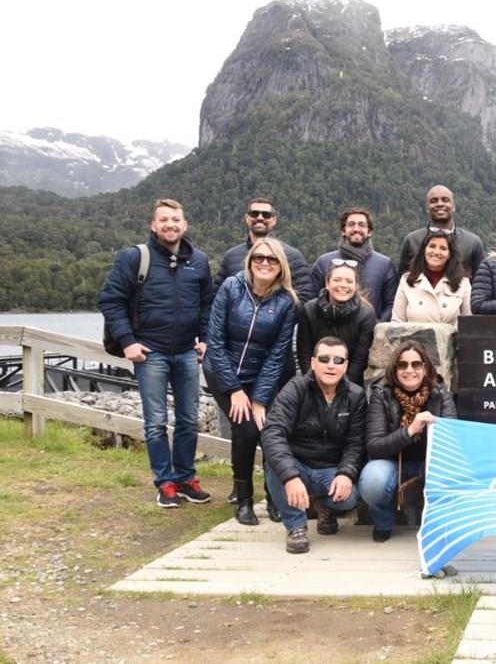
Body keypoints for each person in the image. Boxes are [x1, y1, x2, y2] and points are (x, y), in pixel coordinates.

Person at [99, 198, 214, 508]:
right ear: (153, 225)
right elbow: (110, 300)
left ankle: (186, 478)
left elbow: (206, 304)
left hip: (187, 352)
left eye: (175, 220)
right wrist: (127, 342)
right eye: (163, 220)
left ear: (185, 225)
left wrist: (204, 338)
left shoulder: (200, 261)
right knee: (155, 422)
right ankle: (165, 483)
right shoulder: (135, 257)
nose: (170, 225)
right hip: (151, 353)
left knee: (189, 420)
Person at [203, 238, 299, 526]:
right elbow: (215, 342)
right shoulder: (231, 288)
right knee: (244, 430)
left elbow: (276, 355)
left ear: (280, 265)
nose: (265, 263)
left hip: (263, 376)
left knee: (269, 430)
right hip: (222, 372)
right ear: (250, 261)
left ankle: (274, 497)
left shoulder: (286, 302)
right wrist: (234, 390)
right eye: (259, 257)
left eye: (271, 259)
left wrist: (259, 398)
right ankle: (243, 499)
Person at [261, 337, 366, 554]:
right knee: (274, 467)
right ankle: (296, 526)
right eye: (324, 359)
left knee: (351, 497)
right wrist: (289, 476)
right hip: (298, 464)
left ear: (345, 365)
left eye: (338, 360)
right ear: (313, 362)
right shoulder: (295, 388)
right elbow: (273, 432)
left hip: (331, 469)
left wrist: (346, 473)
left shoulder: (356, 395)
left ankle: (324, 506)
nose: (331, 365)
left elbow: (356, 443)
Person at [360, 342, 457, 543]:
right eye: (402, 365)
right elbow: (375, 447)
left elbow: (452, 439)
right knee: (373, 480)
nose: (409, 370)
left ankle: (436, 528)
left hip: (429, 461)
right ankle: (383, 523)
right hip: (391, 461)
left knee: (449, 474)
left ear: (425, 368)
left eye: (416, 364)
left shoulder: (439, 392)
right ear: (394, 369)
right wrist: (410, 430)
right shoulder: (381, 393)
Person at [215, 197, 315, 303]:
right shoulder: (231, 256)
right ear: (247, 218)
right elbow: (217, 296)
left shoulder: (292, 256)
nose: (260, 218)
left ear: (274, 220)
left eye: (266, 215)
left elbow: (305, 297)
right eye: (254, 213)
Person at [296, 261, 377, 387]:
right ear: (327, 283)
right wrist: (314, 384)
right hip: (313, 382)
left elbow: (359, 361)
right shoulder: (309, 310)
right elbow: (305, 355)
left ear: (356, 286)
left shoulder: (366, 314)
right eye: (337, 280)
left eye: (349, 281)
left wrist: (342, 390)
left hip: (350, 384)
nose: (343, 285)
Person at [311, 207, 398, 321]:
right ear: (343, 230)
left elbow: (391, 304)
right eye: (351, 224)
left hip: (372, 333)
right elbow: (313, 300)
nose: (356, 229)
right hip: (330, 331)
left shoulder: (384, 264)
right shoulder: (323, 262)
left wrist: (376, 326)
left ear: (369, 232)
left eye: (361, 225)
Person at [397, 185, 487, 278]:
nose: (440, 204)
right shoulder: (412, 240)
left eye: (445, 200)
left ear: (453, 206)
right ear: (427, 208)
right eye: (434, 201)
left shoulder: (472, 243)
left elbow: (481, 282)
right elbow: (402, 279)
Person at [392, 230, 472, 326]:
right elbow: (397, 322)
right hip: (413, 340)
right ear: (424, 250)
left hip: (450, 340)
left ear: (449, 255)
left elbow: (469, 323)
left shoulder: (463, 282)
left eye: (443, 248)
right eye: (432, 246)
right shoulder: (407, 280)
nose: (436, 252)